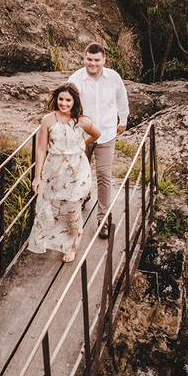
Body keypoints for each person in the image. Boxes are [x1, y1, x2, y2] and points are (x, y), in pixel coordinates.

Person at [29, 83, 100, 263]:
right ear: (56, 99)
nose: (64, 103)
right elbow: (40, 149)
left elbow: (96, 134)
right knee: (51, 207)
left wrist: (81, 143)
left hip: (77, 170)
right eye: (61, 99)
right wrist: (37, 177)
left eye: (68, 100)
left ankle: (72, 245)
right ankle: (56, 239)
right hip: (54, 169)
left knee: (71, 208)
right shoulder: (48, 120)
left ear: (74, 101)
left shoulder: (81, 121)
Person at [68, 43, 128, 239]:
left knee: (103, 175)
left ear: (104, 60)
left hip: (106, 134)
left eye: (97, 60)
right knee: (77, 173)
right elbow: (67, 105)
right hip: (82, 135)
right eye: (89, 59)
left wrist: (123, 120)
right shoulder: (75, 79)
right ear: (84, 58)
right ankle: (84, 196)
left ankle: (103, 219)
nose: (92, 63)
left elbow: (121, 99)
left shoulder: (114, 78)